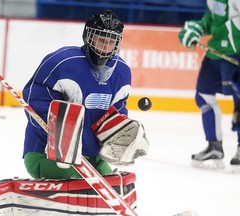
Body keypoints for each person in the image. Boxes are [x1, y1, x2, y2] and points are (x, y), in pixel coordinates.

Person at [22, 9, 149, 180]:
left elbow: (117, 113)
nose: (105, 47)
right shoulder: (62, 62)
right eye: (101, 40)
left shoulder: (122, 72)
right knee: (80, 184)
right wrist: (60, 132)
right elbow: (34, 99)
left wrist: (120, 133)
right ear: (88, 36)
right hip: (47, 153)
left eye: (110, 42)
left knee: (113, 185)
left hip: (92, 157)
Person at [178, 0, 240, 170]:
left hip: (236, 52)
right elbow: (212, 18)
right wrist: (197, 28)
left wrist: (223, 34)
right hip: (216, 54)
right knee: (203, 95)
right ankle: (214, 146)